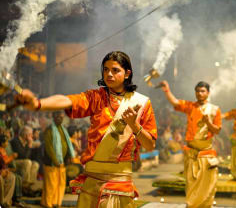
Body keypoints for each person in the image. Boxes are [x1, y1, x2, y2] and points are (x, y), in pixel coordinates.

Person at [17, 51, 157, 208]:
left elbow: (150, 145)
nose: (109, 74)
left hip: (120, 182)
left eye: (115, 70)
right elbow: (67, 100)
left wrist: (134, 125)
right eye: (105, 69)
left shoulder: (142, 103)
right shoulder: (96, 97)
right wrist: (38, 104)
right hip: (92, 180)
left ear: (127, 73)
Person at [160, 80, 221, 208]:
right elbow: (175, 102)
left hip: (206, 153)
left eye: (203, 91)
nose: (200, 93)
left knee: (206, 185)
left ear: (208, 93)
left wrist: (208, 122)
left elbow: (217, 130)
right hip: (192, 153)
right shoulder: (190, 107)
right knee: (191, 184)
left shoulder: (215, 110)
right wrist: (167, 90)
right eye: (198, 91)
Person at [40, 111, 75, 208]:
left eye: (62, 117)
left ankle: (56, 203)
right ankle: (48, 204)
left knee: (60, 184)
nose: (60, 119)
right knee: (51, 185)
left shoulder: (63, 129)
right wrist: (55, 161)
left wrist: (69, 157)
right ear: (54, 117)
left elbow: (67, 145)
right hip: (51, 163)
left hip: (62, 163)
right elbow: (49, 148)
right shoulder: (49, 130)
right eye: (58, 117)